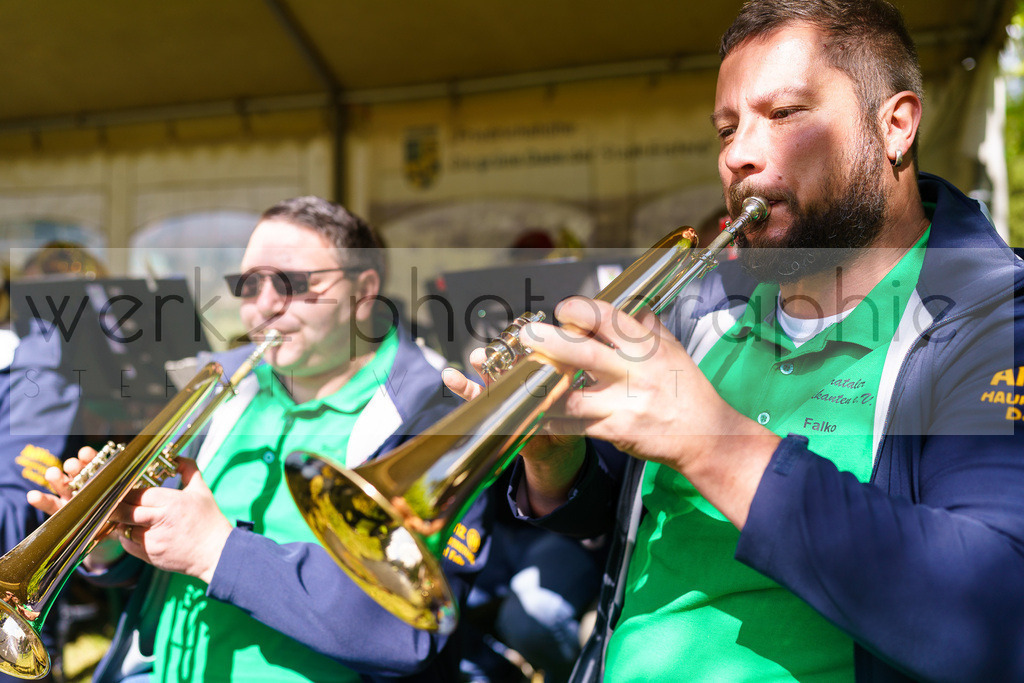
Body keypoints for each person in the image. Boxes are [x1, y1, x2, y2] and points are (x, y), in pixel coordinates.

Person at [443, 1, 1024, 681]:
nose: (738, 155)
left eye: (784, 114)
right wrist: (557, 458)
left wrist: (706, 434)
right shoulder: (709, 304)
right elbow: (635, 511)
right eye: (727, 128)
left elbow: (996, 609)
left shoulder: (993, 316)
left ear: (894, 125)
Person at [32, 196, 489, 682]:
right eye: (249, 284)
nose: (265, 305)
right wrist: (106, 543)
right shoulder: (220, 383)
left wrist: (218, 551)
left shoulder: (437, 412)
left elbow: (410, 632)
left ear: (364, 291)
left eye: (292, 283)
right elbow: (161, 569)